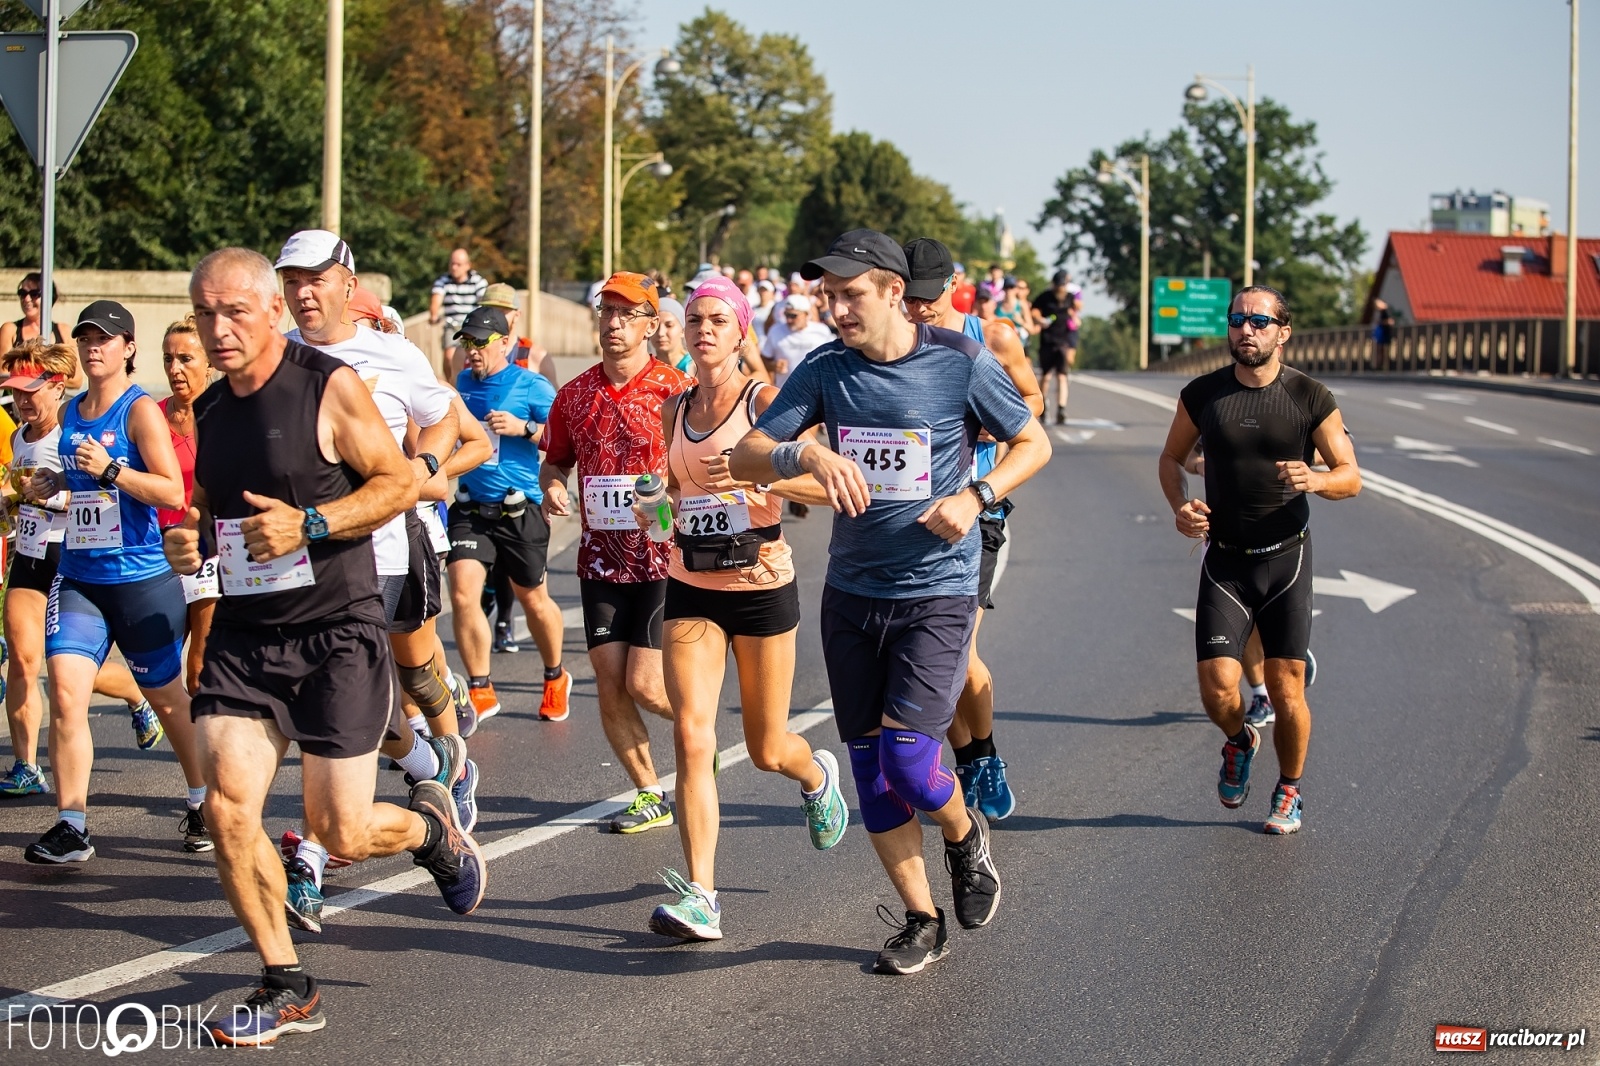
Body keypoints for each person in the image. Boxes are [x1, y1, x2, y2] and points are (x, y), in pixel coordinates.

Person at [170, 248, 484, 1045]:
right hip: (246, 636)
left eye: (235, 311)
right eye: (205, 313)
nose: (218, 328)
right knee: (227, 809)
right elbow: (207, 504)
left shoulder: (325, 386)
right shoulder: (211, 408)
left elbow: (398, 483)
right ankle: (286, 981)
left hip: (336, 633)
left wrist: (309, 524)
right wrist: (190, 535)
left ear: (272, 311)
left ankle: (432, 832)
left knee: (339, 829)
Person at [730, 230, 1050, 974]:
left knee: (909, 761)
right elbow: (746, 454)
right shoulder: (826, 369)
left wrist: (976, 496)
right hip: (852, 593)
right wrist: (807, 451)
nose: (836, 309)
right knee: (872, 776)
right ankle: (921, 918)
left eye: (850, 295)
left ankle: (964, 836)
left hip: (935, 590)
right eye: (828, 297)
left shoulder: (959, 361)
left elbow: (1032, 443)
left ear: (892, 291)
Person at [273, 230, 477, 932]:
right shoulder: (274, 356)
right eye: (291, 280)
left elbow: (446, 422)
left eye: (316, 278)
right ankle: (431, 767)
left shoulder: (392, 353)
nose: (303, 292)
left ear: (346, 282)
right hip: (294, 564)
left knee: (337, 708)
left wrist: (422, 470)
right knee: (350, 710)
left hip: (377, 559)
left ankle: (309, 860)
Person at [641, 276, 847, 942]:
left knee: (765, 749)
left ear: (740, 333)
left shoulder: (766, 403)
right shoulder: (674, 410)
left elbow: (826, 484)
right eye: (694, 320)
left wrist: (761, 471)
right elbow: (674, 495)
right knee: (692, 736)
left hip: (760, 586)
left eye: (717, 321)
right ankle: (702, 893)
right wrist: (656, 510)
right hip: (691, 584)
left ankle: (814, 774)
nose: (703, 330)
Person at [1158, 286, 1361, 836]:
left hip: (1285, 560)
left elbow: (1350, 477)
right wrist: (1181, 507)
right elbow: (1172, 457)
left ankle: (1290, 788)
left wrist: (1316, 479)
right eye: (1237, 319)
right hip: (1224, 559)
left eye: (1259, 321)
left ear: (1283, 332)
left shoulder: (1309, 396)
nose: (1246, 329)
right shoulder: (1203, 394)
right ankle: (1240, 739)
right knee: (1217, 688)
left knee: (1287, 686)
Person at [21, 302, 209, 862]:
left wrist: (111, 470)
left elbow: (170, 490)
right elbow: (83, 484)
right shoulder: (72, 410)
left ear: (127, 347)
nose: (92, 347)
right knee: (65, 692)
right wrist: (56, 480)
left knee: (167, 699)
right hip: (80, 576)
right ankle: (71, 824)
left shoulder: (140, 411)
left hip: (141, 578)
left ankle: (203, 797)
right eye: (85, 339)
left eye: (103, 339)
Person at [540, 272, 689, 833]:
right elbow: (555, 461)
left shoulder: (675, 390)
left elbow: (700, 466)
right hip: (600, 560)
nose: (614, 323)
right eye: (607, 312)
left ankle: (696, 731)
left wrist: (671, 499)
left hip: (661, 556)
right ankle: (649, 793)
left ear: (651, 325)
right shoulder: (574, 395)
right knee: (609, 680)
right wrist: (553, 487)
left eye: (628, 314)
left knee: (645, 684)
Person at [901, 237, 1043, 822]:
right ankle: (967, 756)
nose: (920, 308)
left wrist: (996, 421)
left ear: (953, 284)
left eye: (929, 297)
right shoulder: (895, 338)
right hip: (908, 514)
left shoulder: (994, 337)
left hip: (976, 510)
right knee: (922, 653)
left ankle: (984, 757)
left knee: (958, 651)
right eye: (909, 297)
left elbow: (1031, 399)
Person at [0, 344, 165, 799]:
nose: (22, 401)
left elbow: (103, 499)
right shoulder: (19, 438)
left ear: (56, 388)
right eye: (15, 393)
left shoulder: (72, 432)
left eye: (30, 392)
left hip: (71, 555)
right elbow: (22, 493)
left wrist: (51, 497)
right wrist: (12, 503)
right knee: (23, 659)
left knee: (63, 666)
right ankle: (26, 765)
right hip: (29, 553)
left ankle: (135, 692)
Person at [447, 304, 569, 723]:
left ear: (503, 343)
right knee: (462, 594)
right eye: (467, 341)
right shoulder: (462, 382)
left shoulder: (530, 384)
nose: (472, 350)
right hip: (471, 508)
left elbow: (564, 439)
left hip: (520, 508)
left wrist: (524, 429)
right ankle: (480, 688)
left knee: (533, 600)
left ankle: (555, 675)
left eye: (480, 342)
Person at [482, 282, 560, 386]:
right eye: (488, 311)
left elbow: (555, 395)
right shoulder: (465, 354)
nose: (495, 318)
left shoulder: (536, 357)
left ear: (517, 315)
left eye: (501, 312)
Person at [1031, 270, 1082, 425]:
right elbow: (1034, 310)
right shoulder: (1045, 297)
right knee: (1046, 376)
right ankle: (1044, 406)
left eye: (1063, 285)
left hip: (1063, 341)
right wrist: (1040, 320)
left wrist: (1074, 316)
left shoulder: (1069, 297)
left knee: (1062, 376)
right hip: (1047, 340)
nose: (1061, 288)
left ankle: (1061, 408)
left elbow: (1077, 309)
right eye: (1059, 285)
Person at [429, 248, 487, 379]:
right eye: (452, 264)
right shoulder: (443, 281)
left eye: (458, 264)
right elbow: (436, 300)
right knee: (449, 357)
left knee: (474, 354)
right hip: (452, 325)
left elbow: (485, 302)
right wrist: (434, 315)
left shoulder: (478, 281)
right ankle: (452, 383)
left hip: (473, 326)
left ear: (467, 265)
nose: (454, 267)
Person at [761, 293, 833, 388]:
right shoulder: (775, 330)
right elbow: (763, 360)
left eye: (793, 316)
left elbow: (831, 361)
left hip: (816, 392)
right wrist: (774, 366)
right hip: (785, 391)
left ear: (806, 314)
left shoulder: (822, 331)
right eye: (786, 315)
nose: (789, 320)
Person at [0, 272, 67, 353]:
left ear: (49, 297)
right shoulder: (10, 330)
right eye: (23, 293)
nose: (27, 299)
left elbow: (76, 360)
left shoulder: (64, 331)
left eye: (34, 294)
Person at [650, 296, 694, 374]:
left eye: (669, 325)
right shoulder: (645, 371)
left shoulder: (696, 369)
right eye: (655, 326)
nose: (661, 333)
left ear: (683, 331)